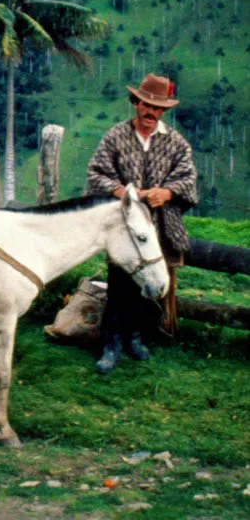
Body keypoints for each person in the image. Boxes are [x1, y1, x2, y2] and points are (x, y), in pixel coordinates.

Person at [85, 73, 198, 374]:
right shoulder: (115, 137)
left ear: (163, 112)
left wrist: (167, 192)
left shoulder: (175, 143)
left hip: (158, 226)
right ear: (136, 103)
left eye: (158, 109)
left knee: (147, 286)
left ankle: (136, 337)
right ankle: (111, 344)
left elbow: (188, 178)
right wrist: (124, 193)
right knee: (119, 284)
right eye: (146, 105)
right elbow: (96, 173)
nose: (151, 112)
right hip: (123, 227)